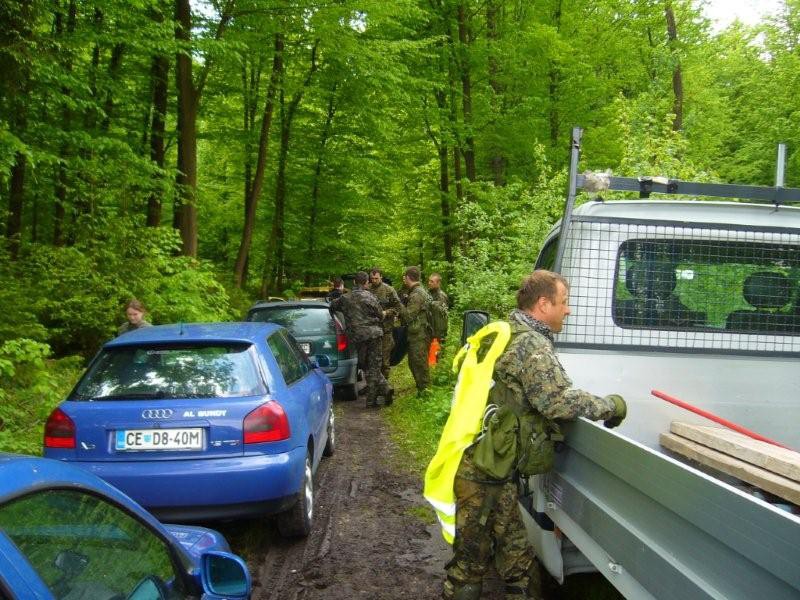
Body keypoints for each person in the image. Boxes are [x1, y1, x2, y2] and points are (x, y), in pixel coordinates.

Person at [442, 270, 627, 600]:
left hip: (484, 462)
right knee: (474, 565)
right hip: (487, 474)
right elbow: (555, 400)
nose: (567, 310)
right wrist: (609, 406)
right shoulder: (532, 345)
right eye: (564, 302)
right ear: (544, 304)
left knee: (512, 561)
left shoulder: (501, 332)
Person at [329, 272, 394, 407]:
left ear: (354, 282)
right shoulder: (371, 297)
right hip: (374, 335)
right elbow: (380, 316)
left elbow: (331, 307)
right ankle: (382, 391)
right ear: (366, 283)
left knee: (366, 367)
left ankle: (377, 396)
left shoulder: (344, 298)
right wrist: (387, 313)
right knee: (374, 366)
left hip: (358, 337)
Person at [399, 266, 432, 395]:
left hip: (419, 335)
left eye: (405, 278)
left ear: (408, 278)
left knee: (419, 363)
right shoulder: (417, 291)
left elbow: (408, 316)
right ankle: (422, 390)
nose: (404, 280)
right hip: (417, 334)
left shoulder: (417, 293)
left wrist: (399, 305)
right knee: (414, 363)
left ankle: (425, 391)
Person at [367, 267, 403, 378]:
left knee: (384, 361)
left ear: (381, 277)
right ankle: (373, 385)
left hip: (385, 330)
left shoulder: (389, 290)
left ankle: (385, 386)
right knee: (371, 361)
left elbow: (398, 307)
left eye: (376, 278)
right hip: (371, 331)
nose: (374, 280)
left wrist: (386, 313)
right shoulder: (367, 290)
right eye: (372, 278)